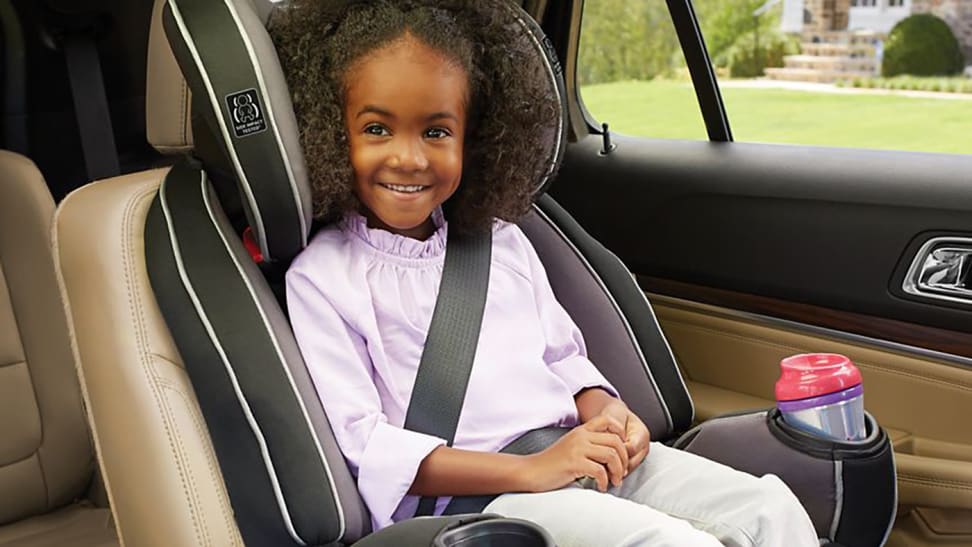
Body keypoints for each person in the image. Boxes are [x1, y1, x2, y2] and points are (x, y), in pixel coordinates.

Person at [275, 1, 819, 545]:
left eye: (437, 132)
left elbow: (563, 359)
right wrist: (532, 472)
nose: (410, 158)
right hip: (480, 502)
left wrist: (607, 411)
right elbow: (366, 445)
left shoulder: (500, 242)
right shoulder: (323, 280)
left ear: (474, 137)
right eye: (377, 128)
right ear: (330, 133)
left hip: (571, 459)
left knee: (770, 508)